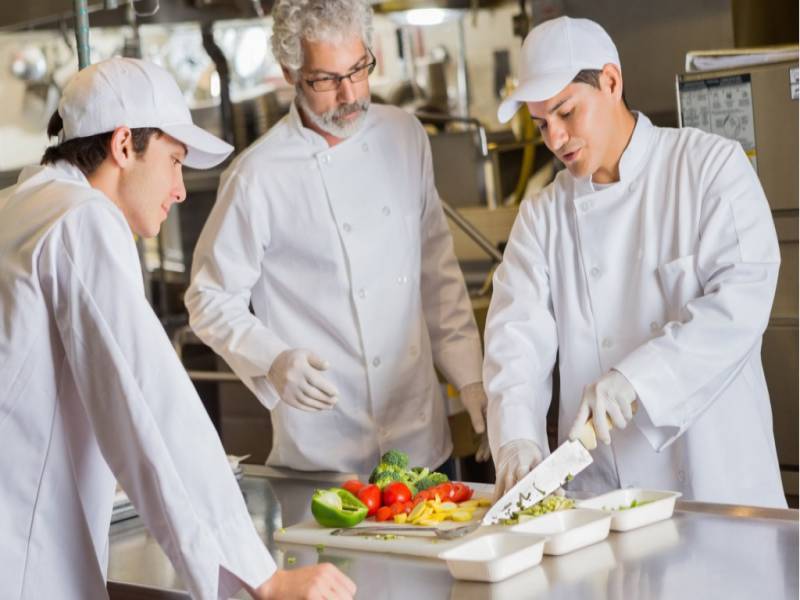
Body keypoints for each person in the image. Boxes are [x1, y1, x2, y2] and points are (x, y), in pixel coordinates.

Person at [0, 57, 355, 600]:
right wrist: (263, 576)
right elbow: (148, 403)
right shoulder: (82, 221)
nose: (181, 189)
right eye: (174, 161)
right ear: (123, 146)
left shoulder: (20, 208)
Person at [484, 16, 786, 508]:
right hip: (606, 495)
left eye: (565, 113)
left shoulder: (709, 167)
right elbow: (514, 339)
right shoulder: (542, 215)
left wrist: (635, 380)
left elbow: (741, 304)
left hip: (716, 484)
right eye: (541, 125)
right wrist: (517, 438)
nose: (555, 139)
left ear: (610, 81)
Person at [185, 0, 489, 476]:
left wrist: (472, 381)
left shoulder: (405, 135)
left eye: (358, 69)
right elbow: (209, 298)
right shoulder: (257, 176)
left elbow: (437, 276)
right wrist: (274, 360)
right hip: (323, 455)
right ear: (290, 72)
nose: (350, 95)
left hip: (422, 444)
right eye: (326, 80)